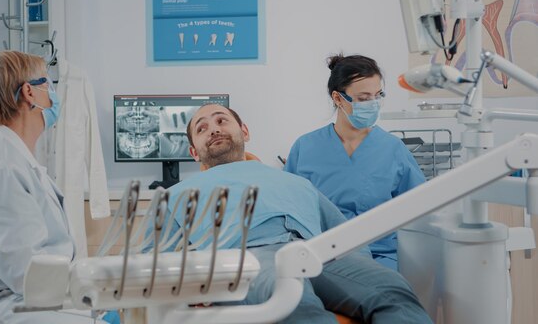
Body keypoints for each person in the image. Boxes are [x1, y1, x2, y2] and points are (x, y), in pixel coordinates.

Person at [160, 103, 432, 324]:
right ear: (195, 152)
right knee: (294, 301)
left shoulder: (296, 182)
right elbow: (157, 258)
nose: (214, 130)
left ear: (244, 131)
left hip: (316, 253)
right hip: (249, 257)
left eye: (222, 120)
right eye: (202, 127)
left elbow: (344, 237)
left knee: (391, 288)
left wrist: (365, 266)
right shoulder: (177, 195)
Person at [0, 51, 112, 324]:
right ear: (29, 92)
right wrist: (90, 296)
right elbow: (25, 274)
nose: (53, 94)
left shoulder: (16, 158)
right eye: (48, 84)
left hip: (22, 296)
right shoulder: (1, 166)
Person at [284, 54, 426, 270]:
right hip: (323, 258)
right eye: (363, 98)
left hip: (382, 258)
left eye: (378, 95)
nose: (373, 104)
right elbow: (290, 210)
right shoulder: (305, 148)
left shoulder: (392, 148)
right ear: (338, 98)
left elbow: (419, 208)